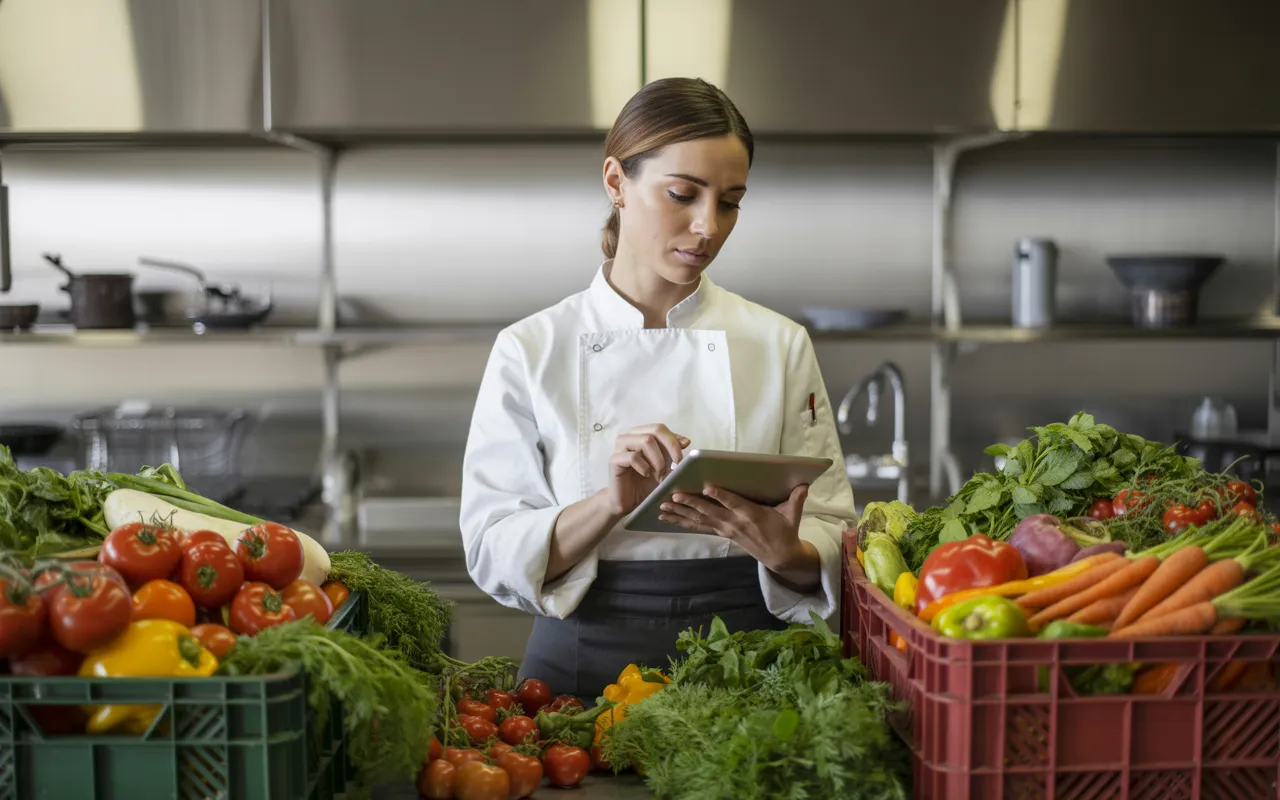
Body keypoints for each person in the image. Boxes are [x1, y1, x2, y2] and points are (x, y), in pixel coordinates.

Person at [459, 77, 856, 699]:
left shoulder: (779, 343)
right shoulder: (531, 348)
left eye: (730, 203)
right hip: (581, 665)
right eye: (682, 194)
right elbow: (492, 549)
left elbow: (832, 527)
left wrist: (790, 555)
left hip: (747, 666)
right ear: (616, 181)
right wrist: (608, 505)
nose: (707, 226)